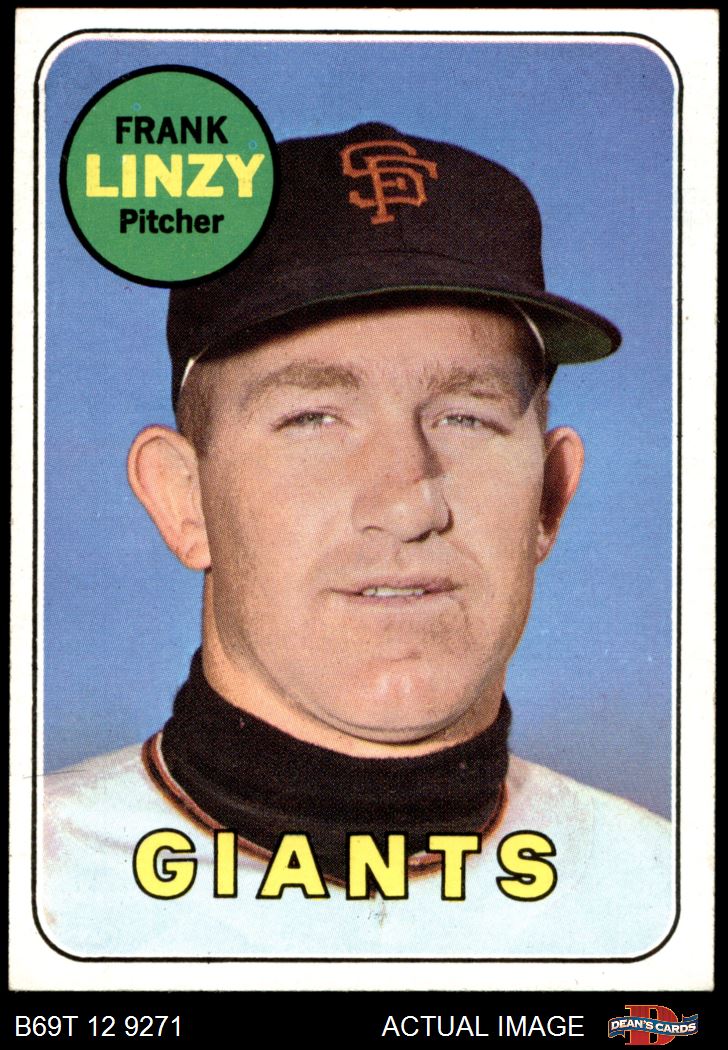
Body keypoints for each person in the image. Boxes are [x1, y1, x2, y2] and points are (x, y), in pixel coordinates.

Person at [41, 123, 673, 959]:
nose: (407, 503)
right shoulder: (37, 883)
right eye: (313, 418)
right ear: (183, 499)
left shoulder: (664, 895)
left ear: (550, 496)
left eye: (466, 417)